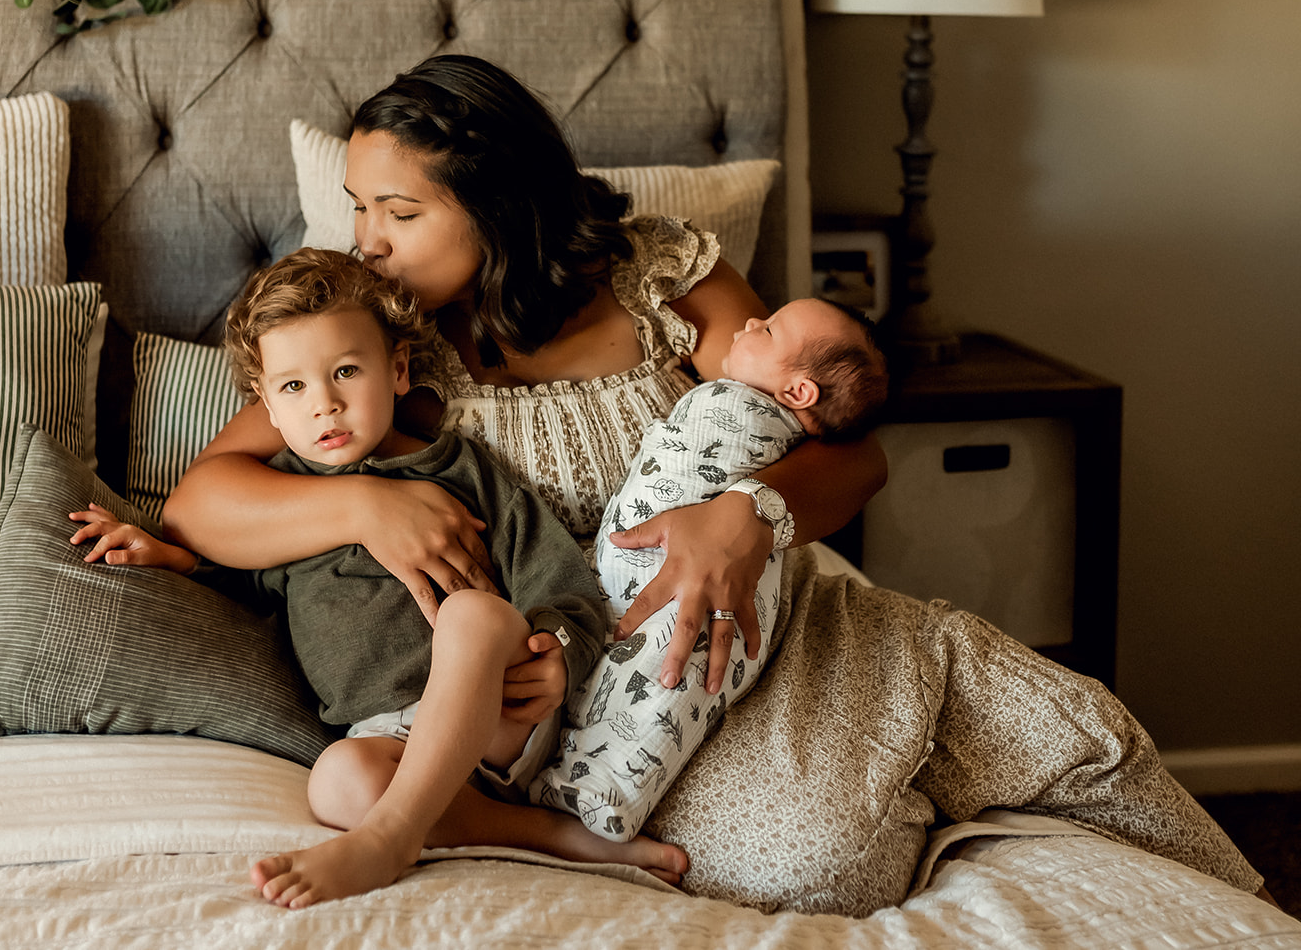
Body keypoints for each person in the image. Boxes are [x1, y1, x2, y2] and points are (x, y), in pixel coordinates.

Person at [163, 55, 1264, 908]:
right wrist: (364, 499)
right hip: (581, 680)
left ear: (498, 203)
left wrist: (753, 513)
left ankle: (928, 732)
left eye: (398, 213)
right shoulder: (382, 341)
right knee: (790, 863)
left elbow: (846, 445)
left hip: (741, 612)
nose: (369, 243)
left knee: (862, 841)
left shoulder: (656, 275)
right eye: (359, 208)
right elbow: (204, 496)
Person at [74, 247, 688, 909]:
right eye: (294, 388)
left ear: (397, 371)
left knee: (472, 614)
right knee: (335, 783)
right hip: (387, 739)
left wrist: (559, 652)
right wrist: (169, 556)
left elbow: (557, 575)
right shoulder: (281, 500)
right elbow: (246, 588)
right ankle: (542, 834)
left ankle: (390, 840)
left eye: (345, 372)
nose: (325, 406)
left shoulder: (459, 470)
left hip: (496, 711)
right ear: (267, 408)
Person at [531, 297, 888, 838]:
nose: (749, 323)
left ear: (798, 394)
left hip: (708, 593)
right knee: (614, 681)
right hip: (598, 586)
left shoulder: (757, 415)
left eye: (766, 330)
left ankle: (612, 791)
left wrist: (748, 509)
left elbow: (864, 461)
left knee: (671, 678)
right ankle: (556, 769)